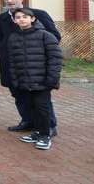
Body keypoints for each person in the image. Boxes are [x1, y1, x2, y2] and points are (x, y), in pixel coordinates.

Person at [0, 0, 60, 136]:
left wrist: (39, 53)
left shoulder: (39, 14)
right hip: (12, 65)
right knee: (19, 95)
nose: (9, 1)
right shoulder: (1, 18)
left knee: (41, 100)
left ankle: (49, 126)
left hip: (36, 66)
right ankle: (28, 121)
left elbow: (55, 36)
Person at [8, 8, 63, 150]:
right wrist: (15, 80)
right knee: (31, 108)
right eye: (18, 17)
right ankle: (37, 132)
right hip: (24, 82)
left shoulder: (45, 36)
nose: (21, 19)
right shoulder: (13, 37)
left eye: (25, 17)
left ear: (32, 19)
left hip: (42, 82)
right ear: (14, 20)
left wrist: (51, 79)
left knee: (42, 108)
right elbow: (12, 61)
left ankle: (45, 136)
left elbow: (55, 58)